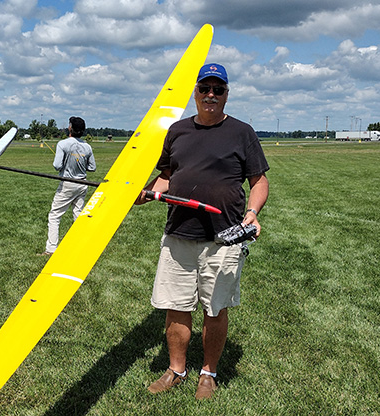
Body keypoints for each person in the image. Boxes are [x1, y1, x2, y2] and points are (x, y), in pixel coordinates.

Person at [136, 63, 269, 399]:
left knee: (215, 308)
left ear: (226, 94)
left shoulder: (242, 132)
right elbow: (167, 176)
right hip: (179, 233)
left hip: (223, 238)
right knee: (176, 305)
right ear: (195, 92)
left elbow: (259, 180)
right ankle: (176, 369)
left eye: (218, 90)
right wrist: (146, 192)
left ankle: (208, 373)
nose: (211, 95)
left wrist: (251, 213)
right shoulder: (177, 131)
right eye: (205, 88)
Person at [42, 116, 96, 255]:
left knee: (54, 215)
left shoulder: (62, 144)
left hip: (67, 184)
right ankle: (80, 246)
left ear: (70, 128)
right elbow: (92, 167)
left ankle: (51, 249)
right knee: (78, 215)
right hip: (83, 184)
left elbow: (56, 165)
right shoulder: (87, 146)